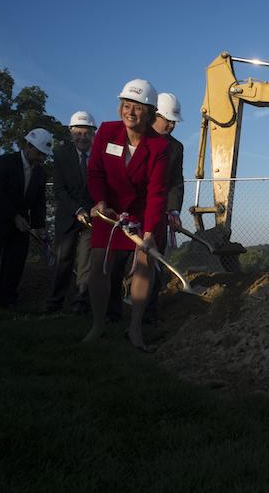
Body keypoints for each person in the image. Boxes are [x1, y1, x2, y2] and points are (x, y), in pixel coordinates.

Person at [83, 79, 170, 352]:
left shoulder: (159, 147)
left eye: (138, 108)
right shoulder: (107, 132)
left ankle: (134, 328)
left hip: (143, 213)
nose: (130, 112)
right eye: (126, 105)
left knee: (144, 266)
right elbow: (95, 172)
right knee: (99, 265)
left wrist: (148, 234)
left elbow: (157, 192)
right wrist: (99, 201)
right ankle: (98, 326)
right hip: (108, 211)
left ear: (151, 113)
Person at [0, 128, 52, 309]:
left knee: (16, 259)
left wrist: (39, 225)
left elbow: (38, 201)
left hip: (18, 223)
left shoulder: (39, 173)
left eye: (44, 155)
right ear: (28, 146)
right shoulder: (4, 163)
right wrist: (14, 216)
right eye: (39, 153)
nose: (41, 159)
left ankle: (7, 299)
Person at [45, 111, 96, 315]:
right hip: (68, 216)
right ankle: (54, 303)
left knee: (86, 264)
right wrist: (77, 210)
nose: (82, 137)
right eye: (78, 133)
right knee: (62, 261)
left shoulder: (100, 156)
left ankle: (80, 304)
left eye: (87, 133)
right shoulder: (61, 154)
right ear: (71, 133)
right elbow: (59, 189)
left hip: (92, 219)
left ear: (93, 133)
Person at [144, 92, 185, 323]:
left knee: (154, 262)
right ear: (154, 115)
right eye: (167, 120)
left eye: (174, 122)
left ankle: (148, 313)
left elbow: (175, 182)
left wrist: (173, 210)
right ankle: (113, 310)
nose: (171, 125)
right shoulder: (137, 138)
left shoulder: (175, 148)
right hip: (132, 212)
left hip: (158, 214)